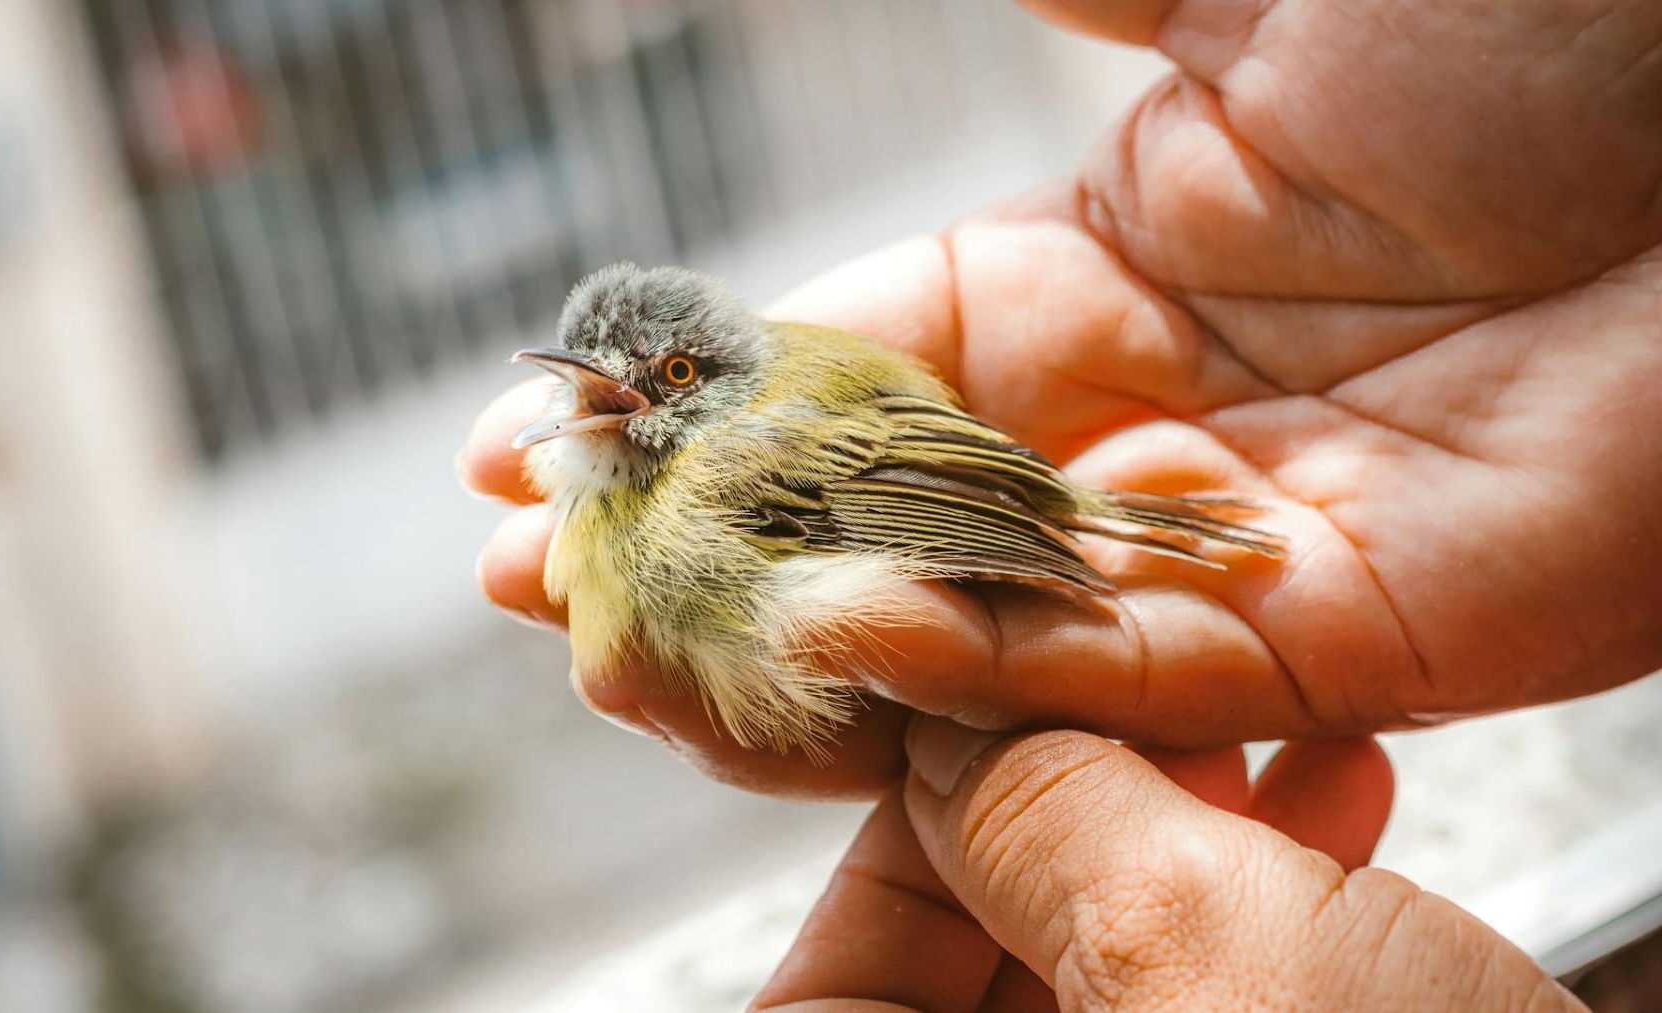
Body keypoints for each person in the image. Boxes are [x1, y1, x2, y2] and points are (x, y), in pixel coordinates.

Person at [463, 0, 1661, 1006]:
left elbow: (913, 495)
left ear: (712, 377)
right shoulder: (629, 498)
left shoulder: (711, 477)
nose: (633, 404)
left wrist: (1046, 548)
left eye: (669, 377)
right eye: (606, 382)